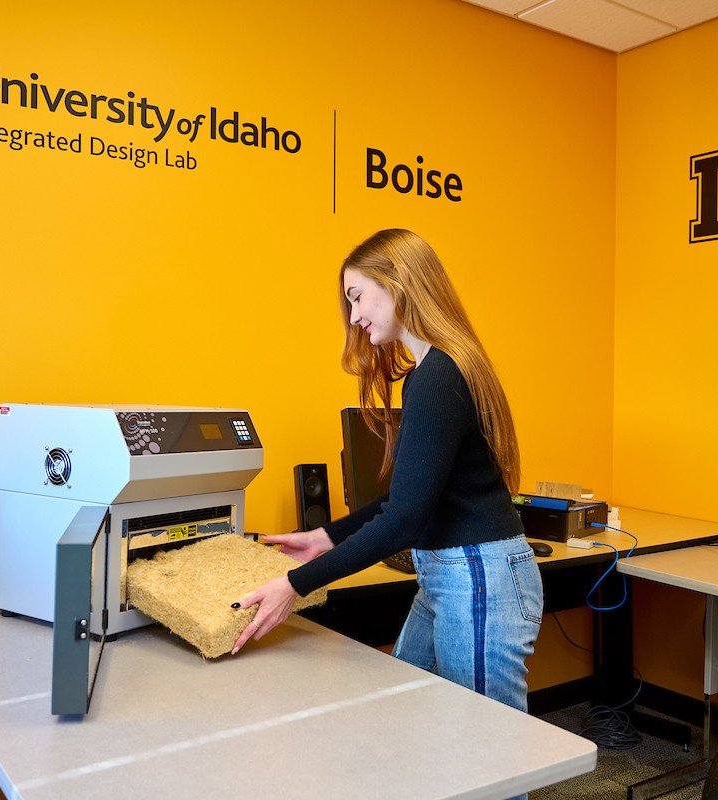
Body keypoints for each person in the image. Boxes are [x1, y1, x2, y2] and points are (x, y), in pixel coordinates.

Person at [232, 228, 542, 715]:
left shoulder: (439, 373)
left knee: (489, 747)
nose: (354, 317)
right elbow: (408, 497)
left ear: (398, 282)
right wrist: (325, 537)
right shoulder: (436, 370)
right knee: (402, 715)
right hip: (453, 573)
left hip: (477, 576)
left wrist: (296, 584)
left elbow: (405, 518)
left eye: (357, 297)